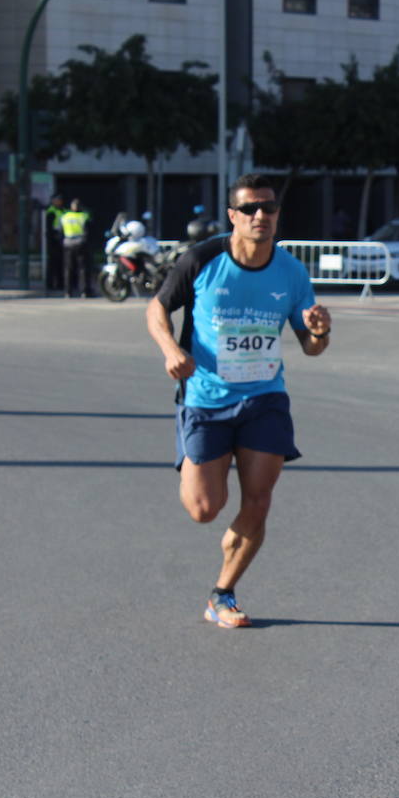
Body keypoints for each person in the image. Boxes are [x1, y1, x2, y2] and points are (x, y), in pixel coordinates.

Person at [145, 173, 333, 629]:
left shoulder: (290, 271)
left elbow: (309, 346)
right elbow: (156, 309)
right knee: (204, 509)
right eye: (249, 209)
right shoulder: (203, 259)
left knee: (259, 501)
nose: (260, 216)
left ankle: (222, 593)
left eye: (268, 208)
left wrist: (321, 332)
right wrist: (172, 350)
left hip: (265, 398)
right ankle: (224, 536)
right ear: (233, 215)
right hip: (205, 398)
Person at [60, 198, 92, 298]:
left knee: (68, 269)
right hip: (80, 243)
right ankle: (84, 291)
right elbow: (89, 230)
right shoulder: (84, 216)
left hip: (68, 244)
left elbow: (60, 231)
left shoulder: (65, 216)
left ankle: (68, 292)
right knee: (83, 268)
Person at [44, 194, 66, 294]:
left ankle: (61, 284)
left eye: (60, 200)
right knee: (52, 263)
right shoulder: (51, 211)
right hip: (53, 240)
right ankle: (50, 284)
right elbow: (48, 227)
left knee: (61, 263)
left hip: (63, 239)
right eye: (57, 200)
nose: (59, 202)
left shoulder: (64, 211)